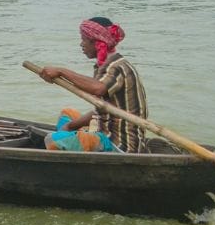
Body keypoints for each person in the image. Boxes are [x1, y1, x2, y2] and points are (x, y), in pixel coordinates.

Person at [36, 17, 148, 153]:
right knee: (67, 114)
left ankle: (65, 146)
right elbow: (101, 109)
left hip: (119, 144)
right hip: (103, 130)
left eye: (84, 39)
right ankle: (68, 145)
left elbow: (98, 88)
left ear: (97, 42)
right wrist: (70, 126)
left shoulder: (115, 66)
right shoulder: (107, 65)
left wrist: (62, 71)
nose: (81, 44)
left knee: (52, 140)